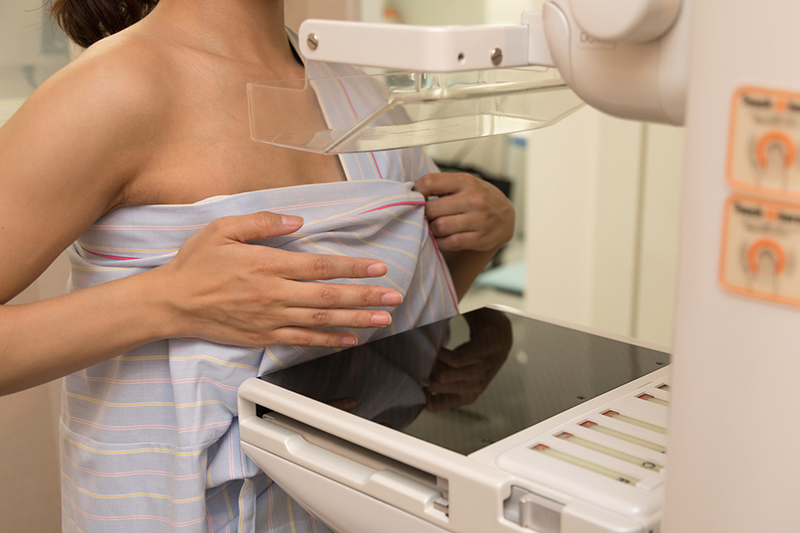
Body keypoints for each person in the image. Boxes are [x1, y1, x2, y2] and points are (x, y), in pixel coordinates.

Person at [0, 0, 515, 531]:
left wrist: (480, 242)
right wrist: (165, 301)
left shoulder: (359, 92)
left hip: (344, 506)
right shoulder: (109, 92)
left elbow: (384, 317)